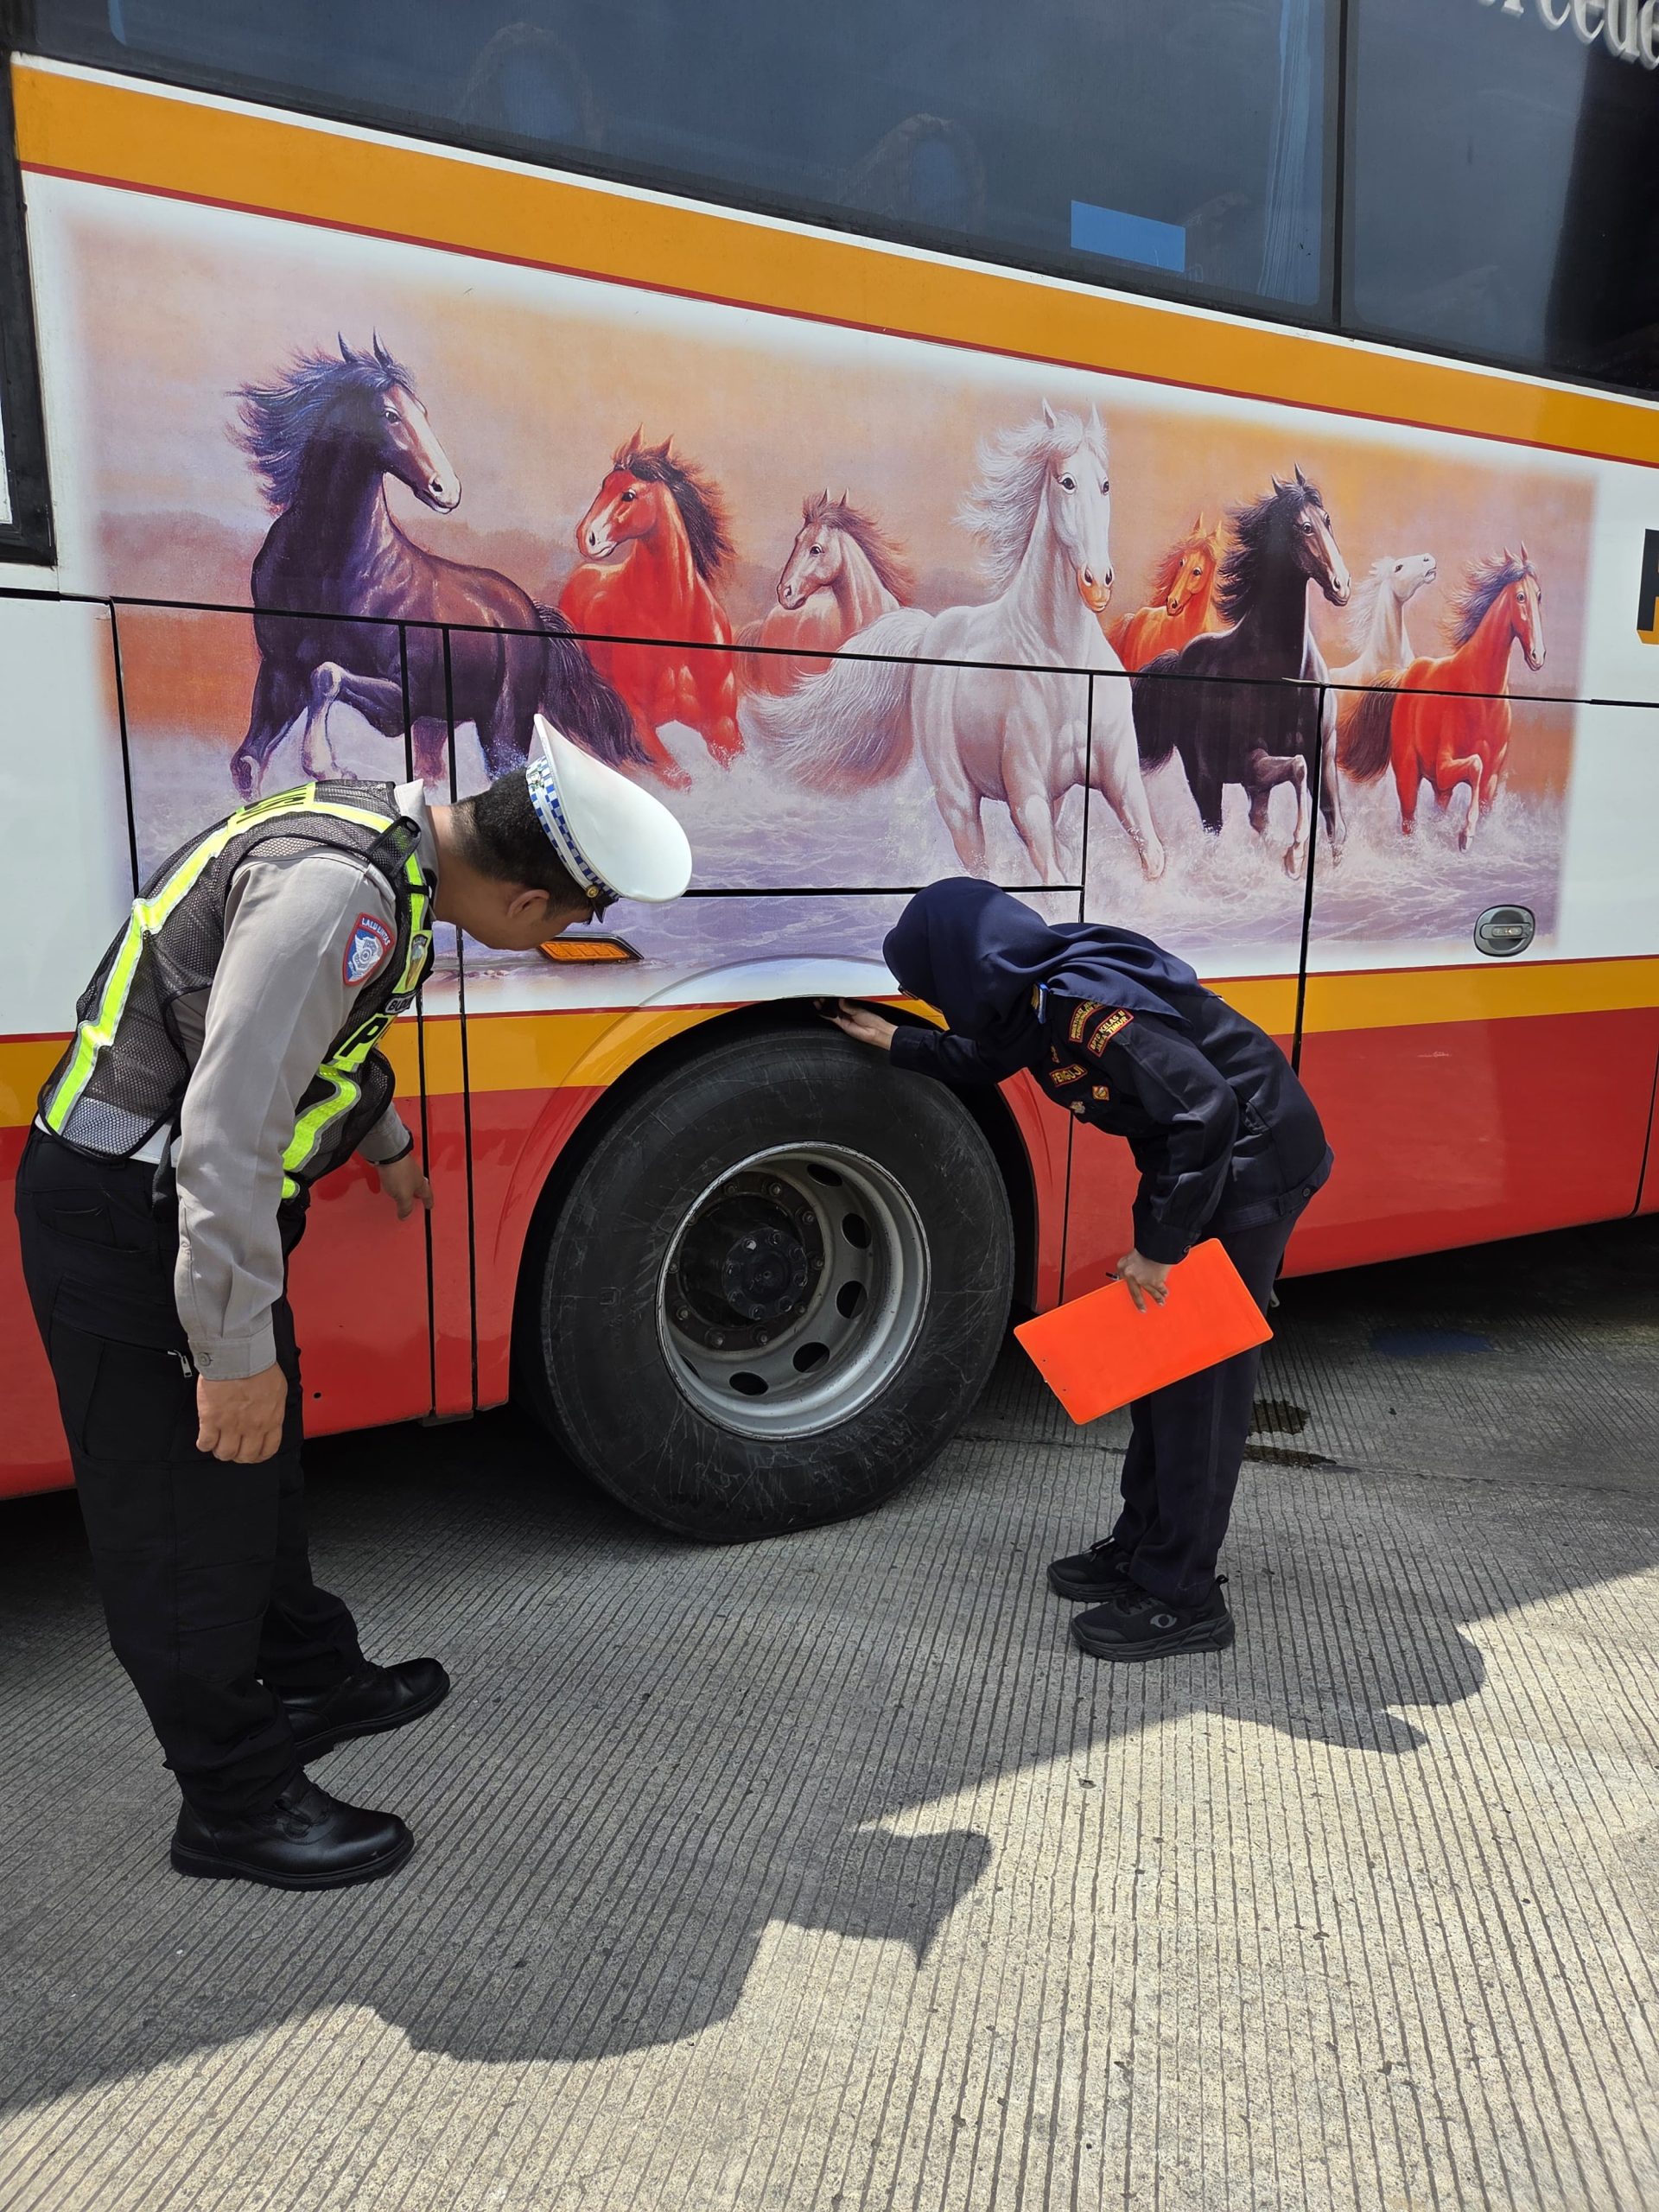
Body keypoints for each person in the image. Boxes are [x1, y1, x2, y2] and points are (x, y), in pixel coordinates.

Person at [16, 717, 691, 1889]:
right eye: (572, 923)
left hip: (181, 1214)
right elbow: (224, 1135)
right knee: (185, 1522)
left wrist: (380, 1137)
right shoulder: (341, 899)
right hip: (138, 1218)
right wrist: (228, 1351)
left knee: (260, 1475)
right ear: (530, 902)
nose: (549, 943)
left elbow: (307, 1039)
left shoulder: (391, 839)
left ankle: (312, 1678)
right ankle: (230, 1800)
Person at [832, 877, 1331, 1663]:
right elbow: (992, 1053)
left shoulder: (1084, 1008)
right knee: (1159, 1367)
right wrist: (899, 1043)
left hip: (1249, 1169)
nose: (919, 995)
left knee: (1198, 1383)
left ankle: (1184, 1596)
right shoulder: (1030, 991)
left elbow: (1205, 1111)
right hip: (1209, 1165)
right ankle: (1140, 1547)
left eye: (926, 985)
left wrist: (1161, 1247)